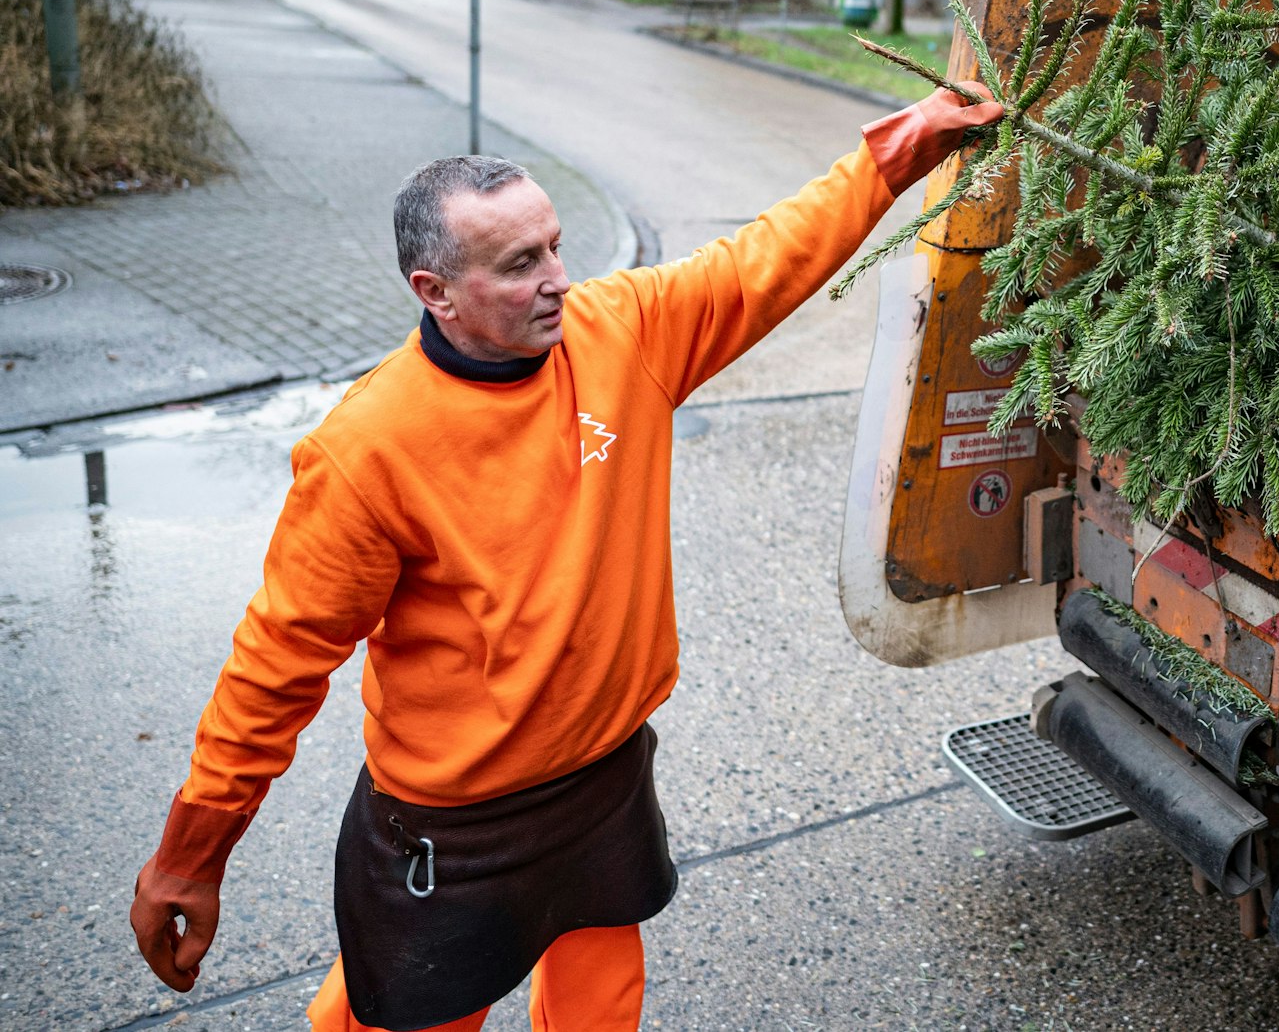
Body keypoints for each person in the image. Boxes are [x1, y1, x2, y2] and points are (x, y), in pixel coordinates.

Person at [127, 84, 1003, 1031]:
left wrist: (899, 150)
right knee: (400, 1015)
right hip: (452, 829)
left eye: (554, 246)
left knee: (598, 1008)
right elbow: (277, 664)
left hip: (600, 786)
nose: (556, 278)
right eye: (519, 264)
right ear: (436, 292)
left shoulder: (620, 331)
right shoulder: (368, 450)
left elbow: (764, 258)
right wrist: (192, 851)